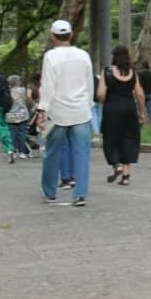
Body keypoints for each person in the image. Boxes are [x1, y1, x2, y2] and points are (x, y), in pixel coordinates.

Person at [37, 19, 93, 206]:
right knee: (82, 153)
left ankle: (50, 193)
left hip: (58, 112)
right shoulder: (83, 55)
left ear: (53, 36)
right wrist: (88, 105)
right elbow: (89, 84)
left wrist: (42, 110)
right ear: (71, 35)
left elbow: (48, 86)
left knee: (52, 153)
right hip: (81, 111)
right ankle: (80, 195)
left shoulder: (50, 57)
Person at [98, 44, 146, 186]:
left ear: (114, 57)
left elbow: (100, 94)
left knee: (111, 138)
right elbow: (140, 94)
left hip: (112, 108)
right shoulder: (132, 72)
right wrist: (141, 112)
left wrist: (104, 102)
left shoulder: (107, 72)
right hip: (129, 109)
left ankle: (116, 165)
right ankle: (126, 176)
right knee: (128, 139)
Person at [6, 74, 33, 159]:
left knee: (12, 134)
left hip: (11, 114)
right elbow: (28, 97)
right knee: (22, 134)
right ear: (17, 82)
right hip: (22, 114)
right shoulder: (23, 90)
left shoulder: (7, 91)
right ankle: (22, 152)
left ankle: (13, 152)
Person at [137, 61, 151, 127]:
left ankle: (140, 125)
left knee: (140, 111)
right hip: (150, 93)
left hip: (142, 94)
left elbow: (139, 84)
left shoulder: (140, 74)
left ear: (142, 66)